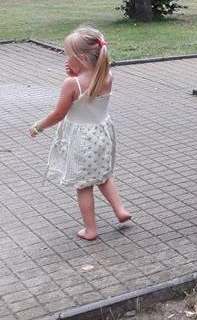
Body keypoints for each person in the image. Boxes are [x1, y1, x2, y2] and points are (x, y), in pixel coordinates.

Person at [29, 27, 131, 241]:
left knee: (83, 186)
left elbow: (58, 114)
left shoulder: (71, 84)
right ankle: (120, 210)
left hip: (82, 140)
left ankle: (90, 230)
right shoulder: (107, 76)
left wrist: (38, 127)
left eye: (68, 55)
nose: (66, 59)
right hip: (102, 135)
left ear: (82, 58)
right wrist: (77, 72)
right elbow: (90, 88)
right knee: (103, 176)